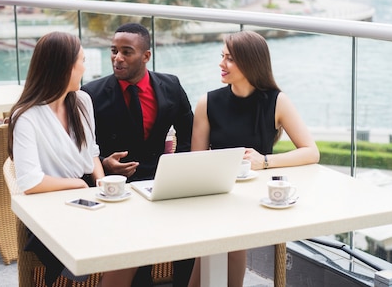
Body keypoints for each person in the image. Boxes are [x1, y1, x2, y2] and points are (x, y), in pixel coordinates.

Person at [188, 30, 320, 287]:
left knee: (227, 244)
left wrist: (265, 162)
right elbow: (197, 163)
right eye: (222, 56)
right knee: (214, 251)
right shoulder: (208, 102)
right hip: (219, 195)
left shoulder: (276, 101)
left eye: (229, 58)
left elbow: (311, 152)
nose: (221, 64)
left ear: (250, 63)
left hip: (258, 199)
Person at [7, 31, 130, 287]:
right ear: (64, 68)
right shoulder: (26, 117)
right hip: (50, 208)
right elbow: (30, 182)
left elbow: (92, 152)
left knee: (135, 240)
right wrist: (78, 185)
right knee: (121, 246)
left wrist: (102, 183)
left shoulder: (82, 101)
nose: (85, 68)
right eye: (82, 61)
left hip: (88, 199)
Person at [81, 22, 195, 287]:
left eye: (126, 52)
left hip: (162, 180)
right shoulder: (91, 94)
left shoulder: (171, 85)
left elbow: (188, 132)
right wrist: (106, 165)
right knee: (135, 243)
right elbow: (85, 148)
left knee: (189, 234)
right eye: (113, 51)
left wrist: (179, 166)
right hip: (118, 185)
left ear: (146, 56)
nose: (117, 58)